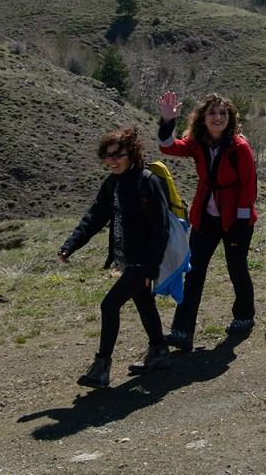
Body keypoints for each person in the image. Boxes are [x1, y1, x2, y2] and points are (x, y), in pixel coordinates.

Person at [58, 125, 172, 388]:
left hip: (141, 262)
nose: (112, 160)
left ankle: (101, 368)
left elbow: (161, 227)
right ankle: (160, 351)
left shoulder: (147, 181)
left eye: (117, 154)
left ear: (131, 154)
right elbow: (95, 216)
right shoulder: (112, 184)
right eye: (107, 156)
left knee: (109, 306)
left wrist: (150, 268)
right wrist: (70, 245)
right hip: (128, 260)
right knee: (144, 303)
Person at [157, 91, 257, 351]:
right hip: (205, 217)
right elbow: (167, 146)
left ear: (230, 118)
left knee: (237, 268)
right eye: (212, 112)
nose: (218, 117)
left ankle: (244, 316)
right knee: (194, 271)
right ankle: (182, 331)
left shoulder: (240, 147)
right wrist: (168, 121)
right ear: (203, 118)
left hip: (235, 218)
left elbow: (249, 188)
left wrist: (240, 222)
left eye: (223, 113)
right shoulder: (197, 142)